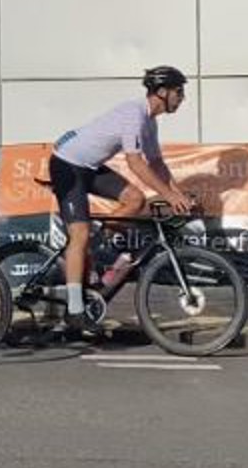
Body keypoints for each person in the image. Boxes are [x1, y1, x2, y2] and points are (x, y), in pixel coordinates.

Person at [49, 65, 193, 334]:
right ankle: (75, 309)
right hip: (67, 164)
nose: (182, 98)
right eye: (179, 92)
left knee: (135, 199)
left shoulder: (149, 121)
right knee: (79, 233)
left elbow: (156, 163)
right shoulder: (134, 114)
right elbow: (136, 163)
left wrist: (178, 194)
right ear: (162, 92)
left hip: (89, 167)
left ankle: (91, 248)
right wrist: (168, 195)